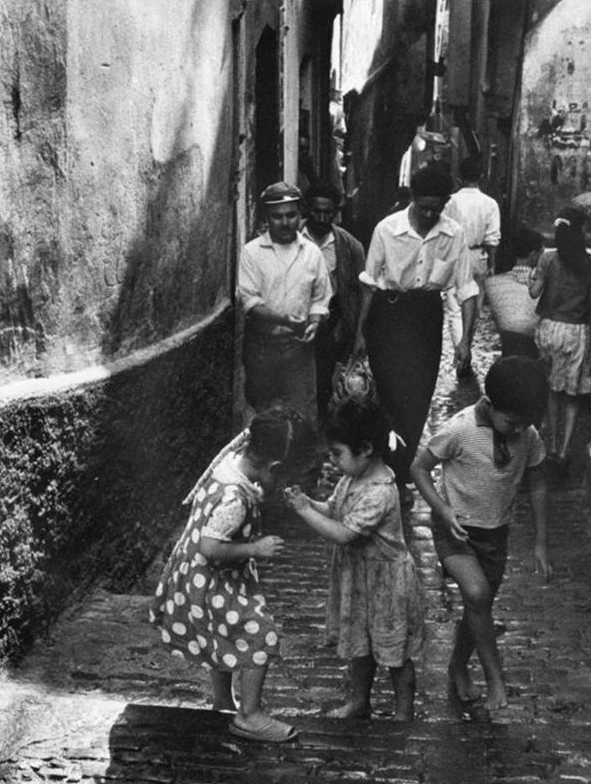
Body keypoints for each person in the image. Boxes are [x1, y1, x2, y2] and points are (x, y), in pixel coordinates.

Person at [410, 356, 551, 717]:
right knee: (477, 594)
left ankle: (457, 665)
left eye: (525, 423)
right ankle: (495, 680)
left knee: (479, 608)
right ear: (490, 404)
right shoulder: (460, 430)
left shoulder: (528, 437)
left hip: (495, 535)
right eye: (511, 421)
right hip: (455, 531)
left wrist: (540, 542)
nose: (518, 429)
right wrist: (442, 510)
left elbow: (537, 484)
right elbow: (419, 467)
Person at [149, 407, 300, 743]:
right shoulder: (235, 499)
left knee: (224, 632)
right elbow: (210, 547)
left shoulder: (233, 460)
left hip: (197, 575)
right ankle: (248, 716)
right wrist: (255, 549)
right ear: (273, 465)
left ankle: (222, 700)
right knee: (260, 634)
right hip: (210, 576)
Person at [285, 399, 424, 721]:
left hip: (387, 585)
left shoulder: (380, 491)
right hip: (360, 581)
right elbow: (335, 509)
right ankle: (359, 701)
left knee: (395, 652)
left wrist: (304, 512)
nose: (333, 461)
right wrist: (308, 503)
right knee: (360, 646)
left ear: (364, 449)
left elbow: (344, 533)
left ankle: (404, 713)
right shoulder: (352, 479)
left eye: (337, 453)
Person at [354, 165, 479, 500]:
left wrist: (464, 340)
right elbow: (369, 284)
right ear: (411, 198)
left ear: (444, 203)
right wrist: (360, 333)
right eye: (422, 206)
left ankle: (399, 469)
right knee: (391, 395)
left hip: (425, 317)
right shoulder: (386, 229)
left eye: (435, 208)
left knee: (418, 397)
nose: (428, 213)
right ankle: (389, 469)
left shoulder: (454, 234)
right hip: (388, 314)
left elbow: (466, 288)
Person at [238, 182, 333, 433]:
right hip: (262, 347)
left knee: (303, 416)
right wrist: (285, 319)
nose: (284, 222)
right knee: (266, 416)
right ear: (267, 218)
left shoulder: (312, 253)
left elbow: (321, 298)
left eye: (290, 215)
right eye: (277, 216)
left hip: (299, 348)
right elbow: (249, 301)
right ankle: (271, 469)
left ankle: (300, 469)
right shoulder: (252, 252)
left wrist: (314, 322)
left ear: (300, 214)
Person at [529, 207, 591, 468]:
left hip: (550, 330)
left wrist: (532, 277)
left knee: (553, 390)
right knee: (572, 395)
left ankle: (549, 445)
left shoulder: (548, 260)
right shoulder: (589, 264)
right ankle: (564, 450)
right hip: (576, 332)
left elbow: (534, 292)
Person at [301, 183, 367, 425]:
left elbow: (362, 291)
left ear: (335, 212)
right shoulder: (293, 238)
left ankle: (320, 425)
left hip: (332, 319)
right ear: (307, 209)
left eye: (327, 212)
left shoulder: (350, 247)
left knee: (325, 377)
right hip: (297, 316)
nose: (321, 217)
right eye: (316, 211)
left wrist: (358, 332)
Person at [442, 156, 502, 379]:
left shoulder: (450, 202)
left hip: (455, 254)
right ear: (482, 177)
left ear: (459, 178)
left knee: (455, 308)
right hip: (479, 255)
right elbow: (493, 238)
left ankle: (462, 351)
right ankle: (465, 349)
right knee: (474, 308)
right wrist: (492, 264)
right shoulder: (490, 203)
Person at [486, 226, 544, 359]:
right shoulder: (542, 287)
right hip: (535, 352)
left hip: (508, 350)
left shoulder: (493, 284)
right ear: (534, 255)